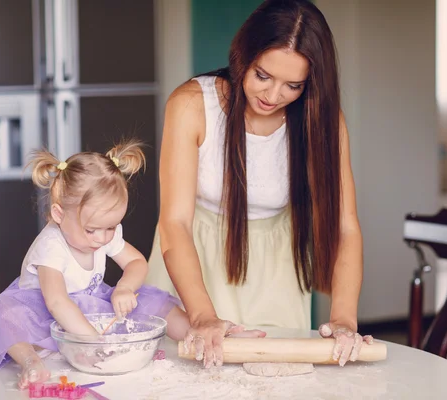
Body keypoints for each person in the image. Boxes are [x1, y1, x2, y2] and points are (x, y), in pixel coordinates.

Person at [147, 0, 372, 369]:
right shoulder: (191, 104)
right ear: (243, 56)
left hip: (275, 272)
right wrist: (202, 316)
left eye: (293, 85)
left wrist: (344, 319)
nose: (272, 96)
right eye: (262, 76)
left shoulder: (323, 122)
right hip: (192, 259)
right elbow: (175, 222)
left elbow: (346, 227)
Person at [0, 140, 260, 388]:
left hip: (89, 304)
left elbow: (136, 262)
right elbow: (56, 302)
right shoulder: (51, 246)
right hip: (42, 312)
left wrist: (125, 287)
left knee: (151, 299)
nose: (102, 239)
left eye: (111, 228)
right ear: (58, 214)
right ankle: (30, 361)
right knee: (1, 314)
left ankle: (205, 338)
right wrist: (95, 341)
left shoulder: (102, 232)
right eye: (92, 230)